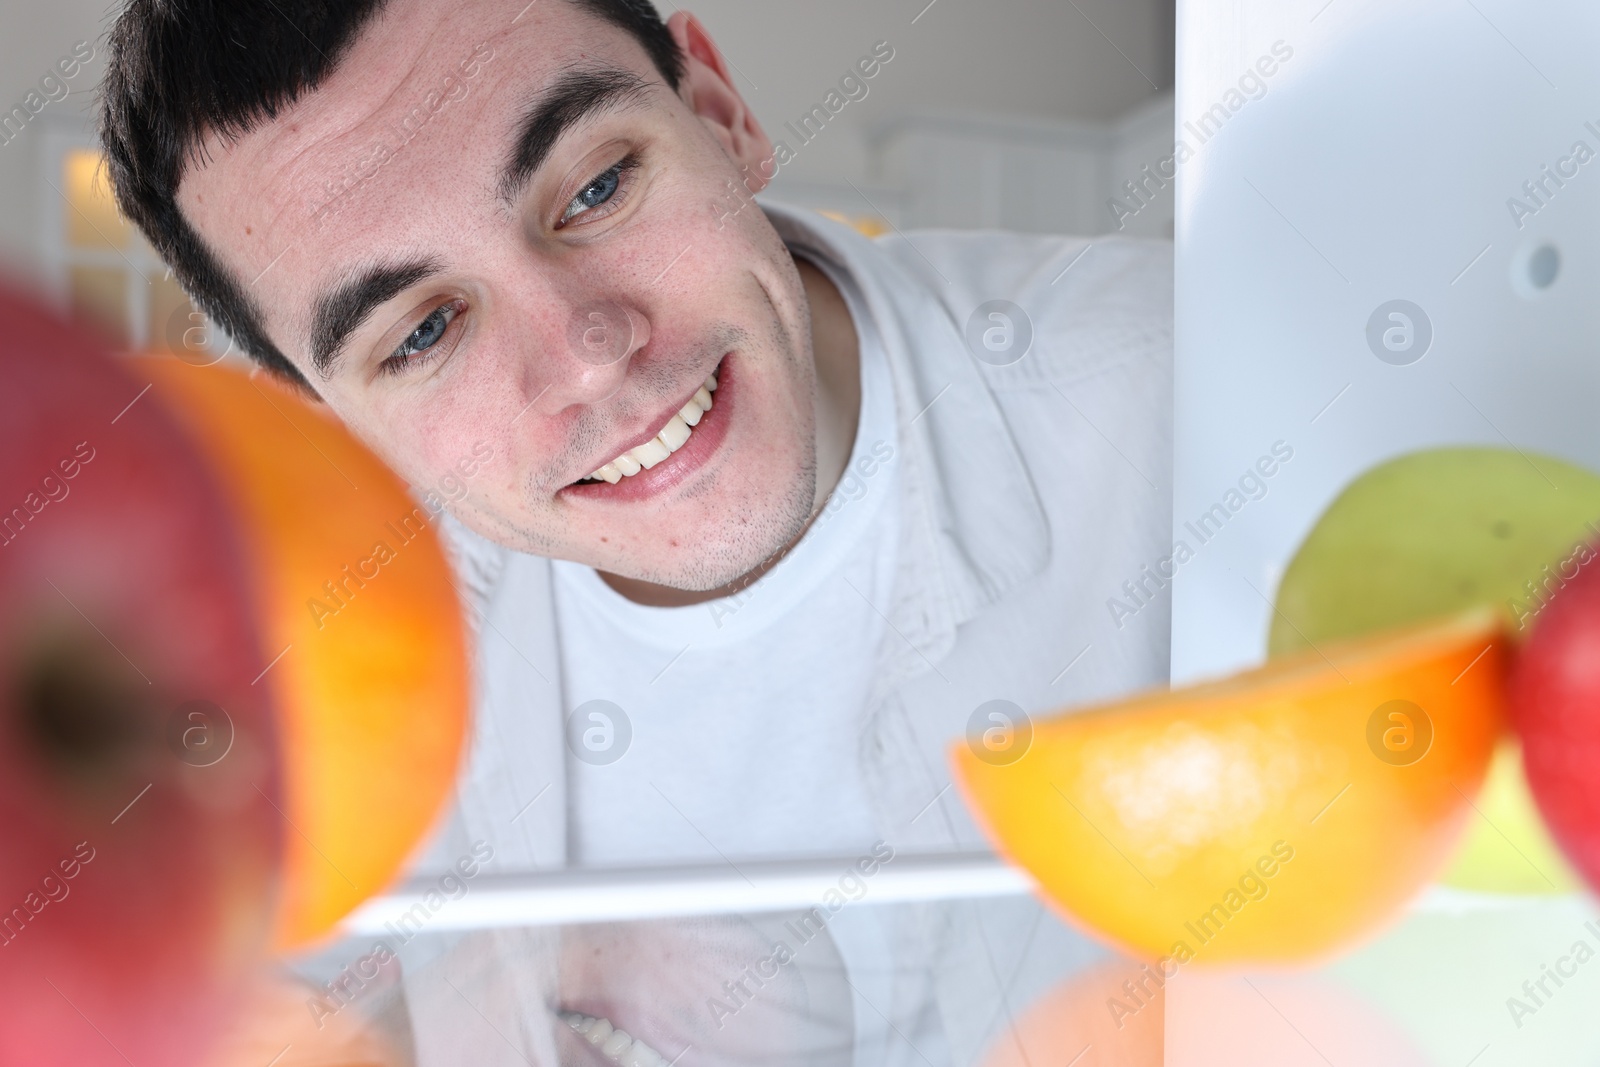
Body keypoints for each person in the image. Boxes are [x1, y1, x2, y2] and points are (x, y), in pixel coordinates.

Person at [100, 0, 1173, 1060]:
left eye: (598, 187)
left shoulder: (1185, 386)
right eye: (423, 331)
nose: (587, 354)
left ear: (716, 113)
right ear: (330, 425)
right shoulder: (316, 672)